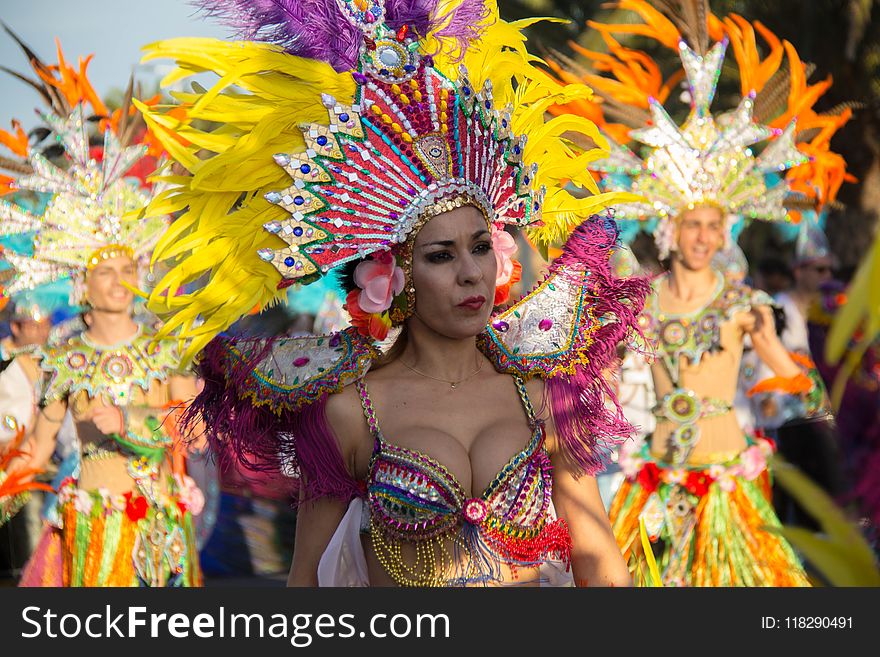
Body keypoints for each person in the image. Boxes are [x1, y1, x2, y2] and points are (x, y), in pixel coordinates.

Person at [139, 0, 648, 587]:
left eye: (481, 247)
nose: (470, 274)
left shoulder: (545, 391)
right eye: (440, 255)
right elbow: (305, 579)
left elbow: (598, 557)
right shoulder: (350, 410)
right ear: (391, 277)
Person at [551, 1, 854, 585]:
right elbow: (603, 382)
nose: (704, 237)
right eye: (694, 224)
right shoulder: (641, 300)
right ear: (670, 229)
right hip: (652, 482)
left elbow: (801, 386)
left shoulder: (744, 305)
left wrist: (797, 385)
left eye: (715, 226)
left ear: (726, 233)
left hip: (726, 484)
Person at [0, 41, 204, 586]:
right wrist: (9, 474)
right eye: (105, 271)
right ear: (80, 282)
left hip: (160, 529)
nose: (121, 281)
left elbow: (198, 431)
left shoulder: (168, 345)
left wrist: (134, 423)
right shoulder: (61, 359)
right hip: (92, 529)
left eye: (128, 267)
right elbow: (40, 448)